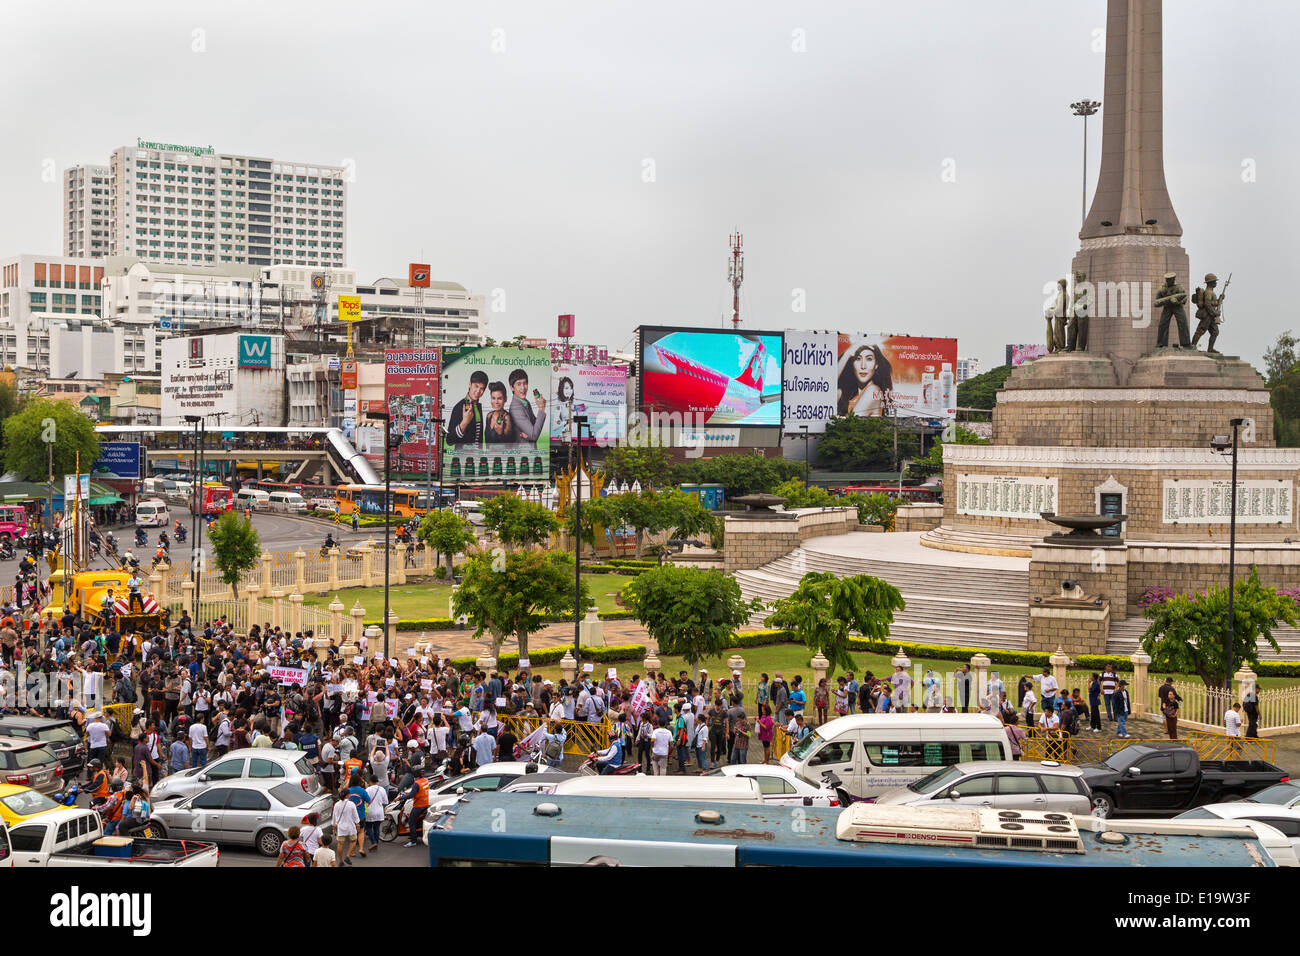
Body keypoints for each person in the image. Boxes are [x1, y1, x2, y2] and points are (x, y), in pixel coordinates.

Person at [836, 343, 893, 417]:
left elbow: (852, 423)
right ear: (852, 363)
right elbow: (827, 387)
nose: (863, 366)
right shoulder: (847, 394)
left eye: (869, 359)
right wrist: (847, 353)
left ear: (876, 365)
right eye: (858, 359)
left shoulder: (873, 391)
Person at [445, 370, 488, 447]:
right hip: (463, 457)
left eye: (482, 388)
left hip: (477, 457)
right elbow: (449, 440)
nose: (478, 391)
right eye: (476, 386)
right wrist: (464, 423)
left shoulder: (478, 406)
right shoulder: (459, 406)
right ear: (470, 384)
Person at [507, 368, 546, 444]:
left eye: (525, 383)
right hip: (523, 452)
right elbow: (534, 435)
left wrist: (530, 437)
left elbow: (535, 428)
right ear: (512, 387)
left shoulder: (525, 402)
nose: (523, 388)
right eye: (519, 384)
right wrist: (541, 408)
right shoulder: (516, 408)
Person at [332, 786, 361, 864]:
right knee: (354, 840)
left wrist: (334, 825)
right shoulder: (351, 804)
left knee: (340, 844)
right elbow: (355, 816)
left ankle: (341, 861)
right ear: (347, 795)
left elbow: (334, 816)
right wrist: (357, 823)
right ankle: (347, 856)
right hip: (350, 826)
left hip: (341, 827)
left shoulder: (336, 804)